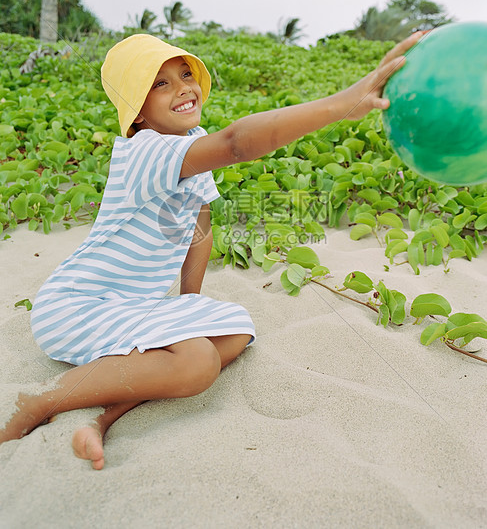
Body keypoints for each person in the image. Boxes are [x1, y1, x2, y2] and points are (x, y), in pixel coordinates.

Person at [0, 31, 425, 469]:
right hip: (75, 306)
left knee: (236, 329)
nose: (183, 87)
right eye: (160, 83)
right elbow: (237, 143)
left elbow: (199, 220)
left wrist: (188, 303)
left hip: (131, 305)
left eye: (185, 74)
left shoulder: (189, 142)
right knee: (198, 361)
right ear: (138, 114)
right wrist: (343, 103)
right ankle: (38, 401)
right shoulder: (146, 150)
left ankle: (102, 418)